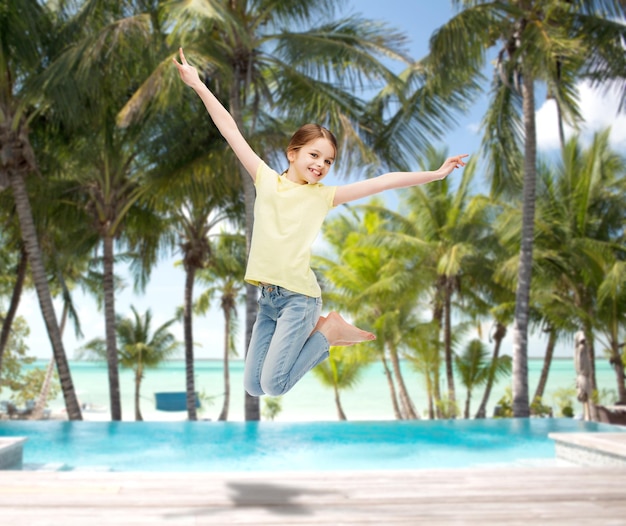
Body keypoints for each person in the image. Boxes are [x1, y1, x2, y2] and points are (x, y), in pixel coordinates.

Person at [173, 48, 467, 397]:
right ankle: (328, 332)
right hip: (268, 299)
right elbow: (229, 128)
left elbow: (385, 180)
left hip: (300, 298)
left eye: (328, 161)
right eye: (314, 155)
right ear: (292, 153)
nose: (321, 165)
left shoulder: (323, 196)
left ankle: (330, 332)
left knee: (275, 385)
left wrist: (436, 174)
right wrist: (198, 85)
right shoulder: (265, 179)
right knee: (253, 387)